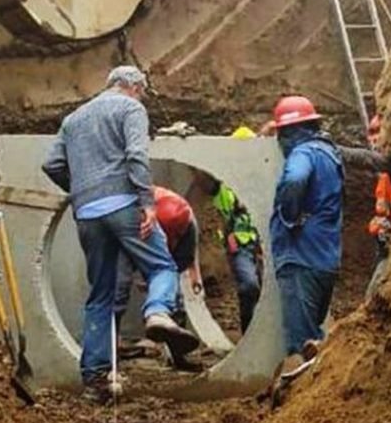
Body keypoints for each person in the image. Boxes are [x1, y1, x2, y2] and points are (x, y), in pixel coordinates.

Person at [42, 65, 199, 402]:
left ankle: (97, 378)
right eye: (142, 91)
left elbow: (52, 164)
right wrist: (147, 202)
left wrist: (82, 191)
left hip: (87, 214)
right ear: (134, 87)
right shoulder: (130, 108)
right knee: (162, 267)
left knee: (100, 295)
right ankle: (157, 312)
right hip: (126, 204)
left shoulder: (73, 119)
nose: (141, 96)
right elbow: (136, 155)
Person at [268, 95, 345, 362]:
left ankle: (303, 396)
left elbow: (295, 179)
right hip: (325, 257)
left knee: (301, 342)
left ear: (288, 132)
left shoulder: (303, 153)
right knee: (314, 335)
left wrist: (289, 215)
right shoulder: (329, 152)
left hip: (300, 255)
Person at [114, 185, 203, 332]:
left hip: (170, 247)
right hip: (141, 229)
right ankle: (112, 342)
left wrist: (195, 274)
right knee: (119, 288)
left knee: (171, 285)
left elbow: (185, 257)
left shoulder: (186, 224)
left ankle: (174, 335)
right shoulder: (140, 213)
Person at [204, 126, 263, 333]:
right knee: (249, 286)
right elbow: (205, 176)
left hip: (261, 244)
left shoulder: (261, 178)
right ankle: (249, 334)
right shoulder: (222, 183)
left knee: (266, 292)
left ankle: (259, 334)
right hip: (239, 244)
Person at [365, 114, 391, 299]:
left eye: (378, 131)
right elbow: (383, 215)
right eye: (371, 132)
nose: (373, 139)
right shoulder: (385, 178)